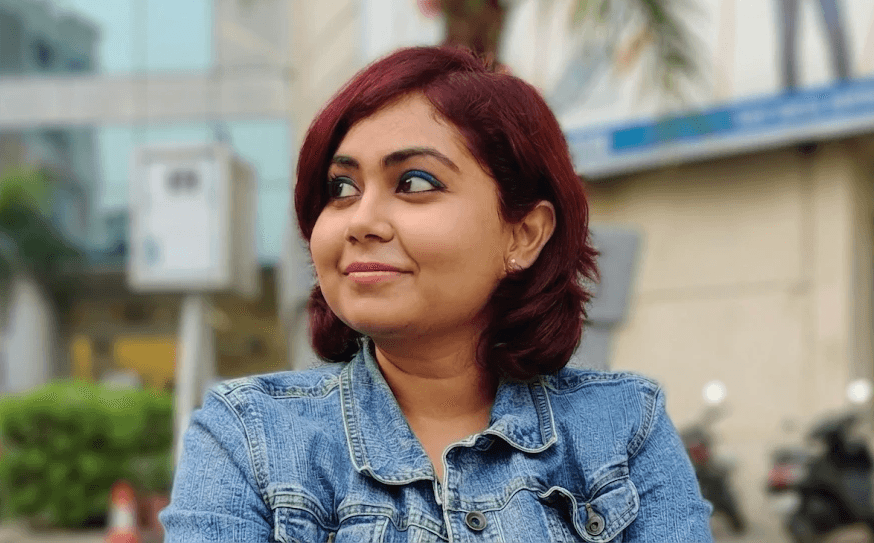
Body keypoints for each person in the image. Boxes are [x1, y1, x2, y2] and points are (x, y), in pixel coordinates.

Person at [159, 45, 714, 542]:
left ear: (523, 234)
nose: (361, 222)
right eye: (341, 188)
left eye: (415, 183)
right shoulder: (247, 439)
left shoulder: (623, 430)